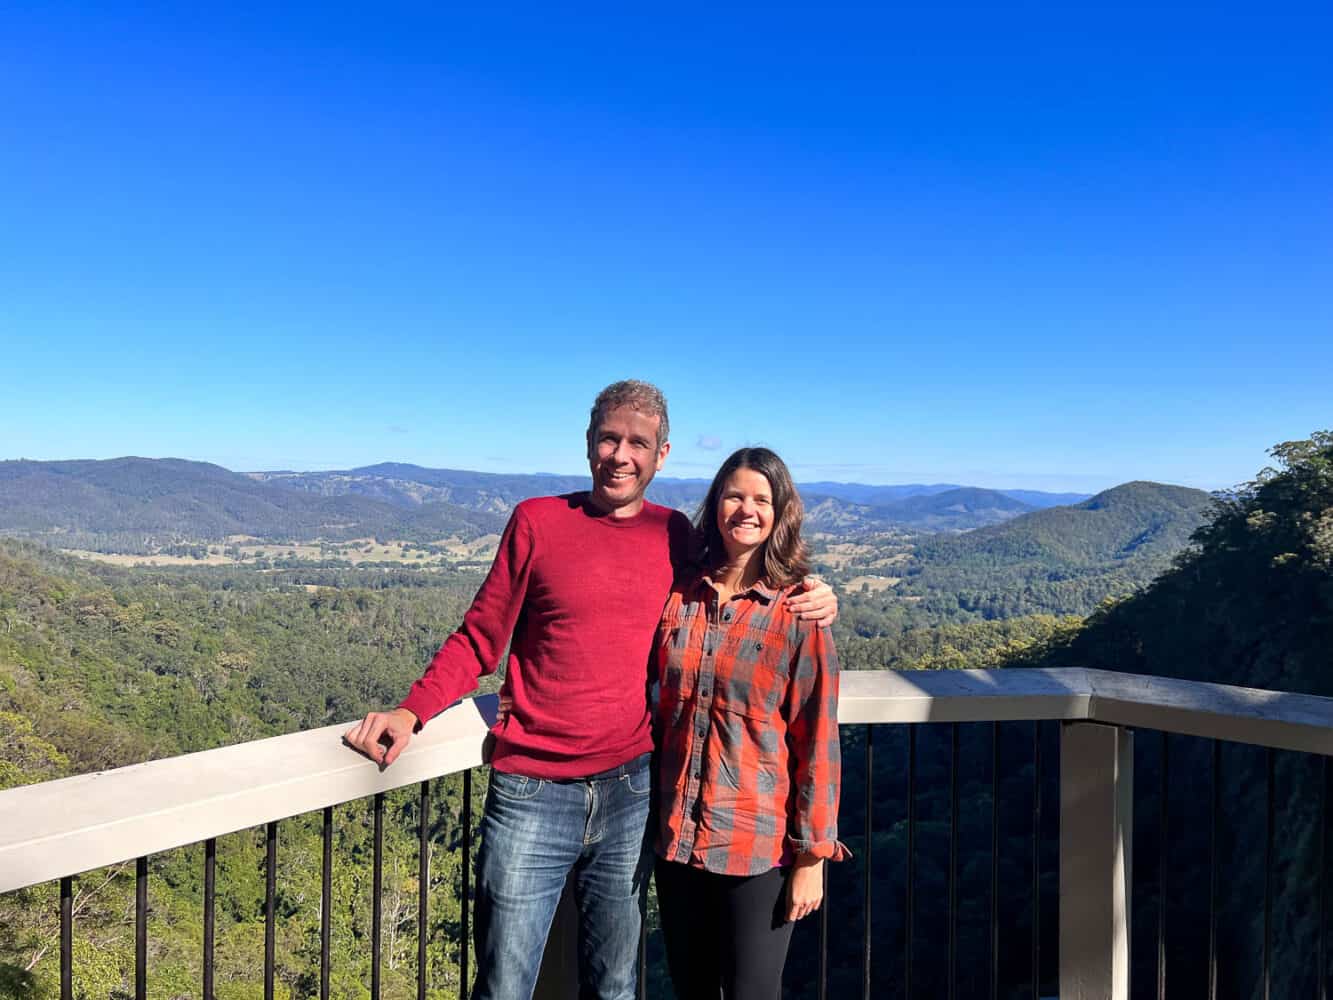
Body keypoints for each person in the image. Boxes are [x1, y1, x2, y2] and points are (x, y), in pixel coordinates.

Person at [344, 382, 837, 1000]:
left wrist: (815, 591)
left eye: (638, 442)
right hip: (531, 790)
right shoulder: (538, 521)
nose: (621, 455)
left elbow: (745, 579)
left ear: (662, 455)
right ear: (588, 444)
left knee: (616, 986)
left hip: (633, 793)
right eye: (610, 438)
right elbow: (479, 638)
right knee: (504, 984)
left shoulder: (673, 536)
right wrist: (412, 710)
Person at [653, 446, 845, 1000]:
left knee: (752, 991)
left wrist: (813, 857)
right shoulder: (680, 594)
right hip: (674, 835)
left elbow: (819, 741)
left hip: (755, 845)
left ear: (781, 512)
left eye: (762, 499)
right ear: (716, 504)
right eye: (735, 495)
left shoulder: (799, 612)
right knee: (690, 987)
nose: (746, 509)